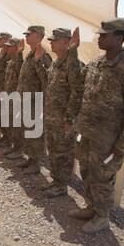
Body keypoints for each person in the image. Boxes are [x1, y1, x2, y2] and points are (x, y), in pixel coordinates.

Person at [68, 18, 124, 234]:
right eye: (99, 34)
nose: (99, 38)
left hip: (109, 141)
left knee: (103, 178)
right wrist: (73, 52)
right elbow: (77, 83)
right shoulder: (96, 64)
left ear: (119, 38)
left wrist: (121, 147)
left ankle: (102, 216)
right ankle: (91, 207)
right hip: (88, 135)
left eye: (104, 35)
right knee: (86, 172)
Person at [38, 28, 83, 198]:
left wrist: (70, 118)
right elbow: (51, 88)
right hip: (52, 116)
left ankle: (62, 185)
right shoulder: (56, 64)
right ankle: (56, 181)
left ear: (66, 42)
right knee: (54, 150)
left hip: (64, 119)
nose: (51, 43)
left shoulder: (73, 65)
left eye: (54, 40)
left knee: (64, 153)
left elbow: (77, 92)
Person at [14, 25, 52, 175]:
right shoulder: (30, 54)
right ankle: (30, 158)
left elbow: (47, 81)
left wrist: (43, 104)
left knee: (35, 133)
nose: (26, 37)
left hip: (35, 101)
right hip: (26, 101)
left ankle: (36, 163)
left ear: (38, 35)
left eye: (29, 34)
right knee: (28, 131)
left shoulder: (42, 56)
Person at [2, 38, 24, 159]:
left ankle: (18, 150)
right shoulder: (10, 62)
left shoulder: (19, 62)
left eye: (10, 46)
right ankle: (13, 146)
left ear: (16, 48)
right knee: (10, 123)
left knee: (16, 126)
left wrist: (20, 53)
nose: (7, 48)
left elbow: (20, 71)